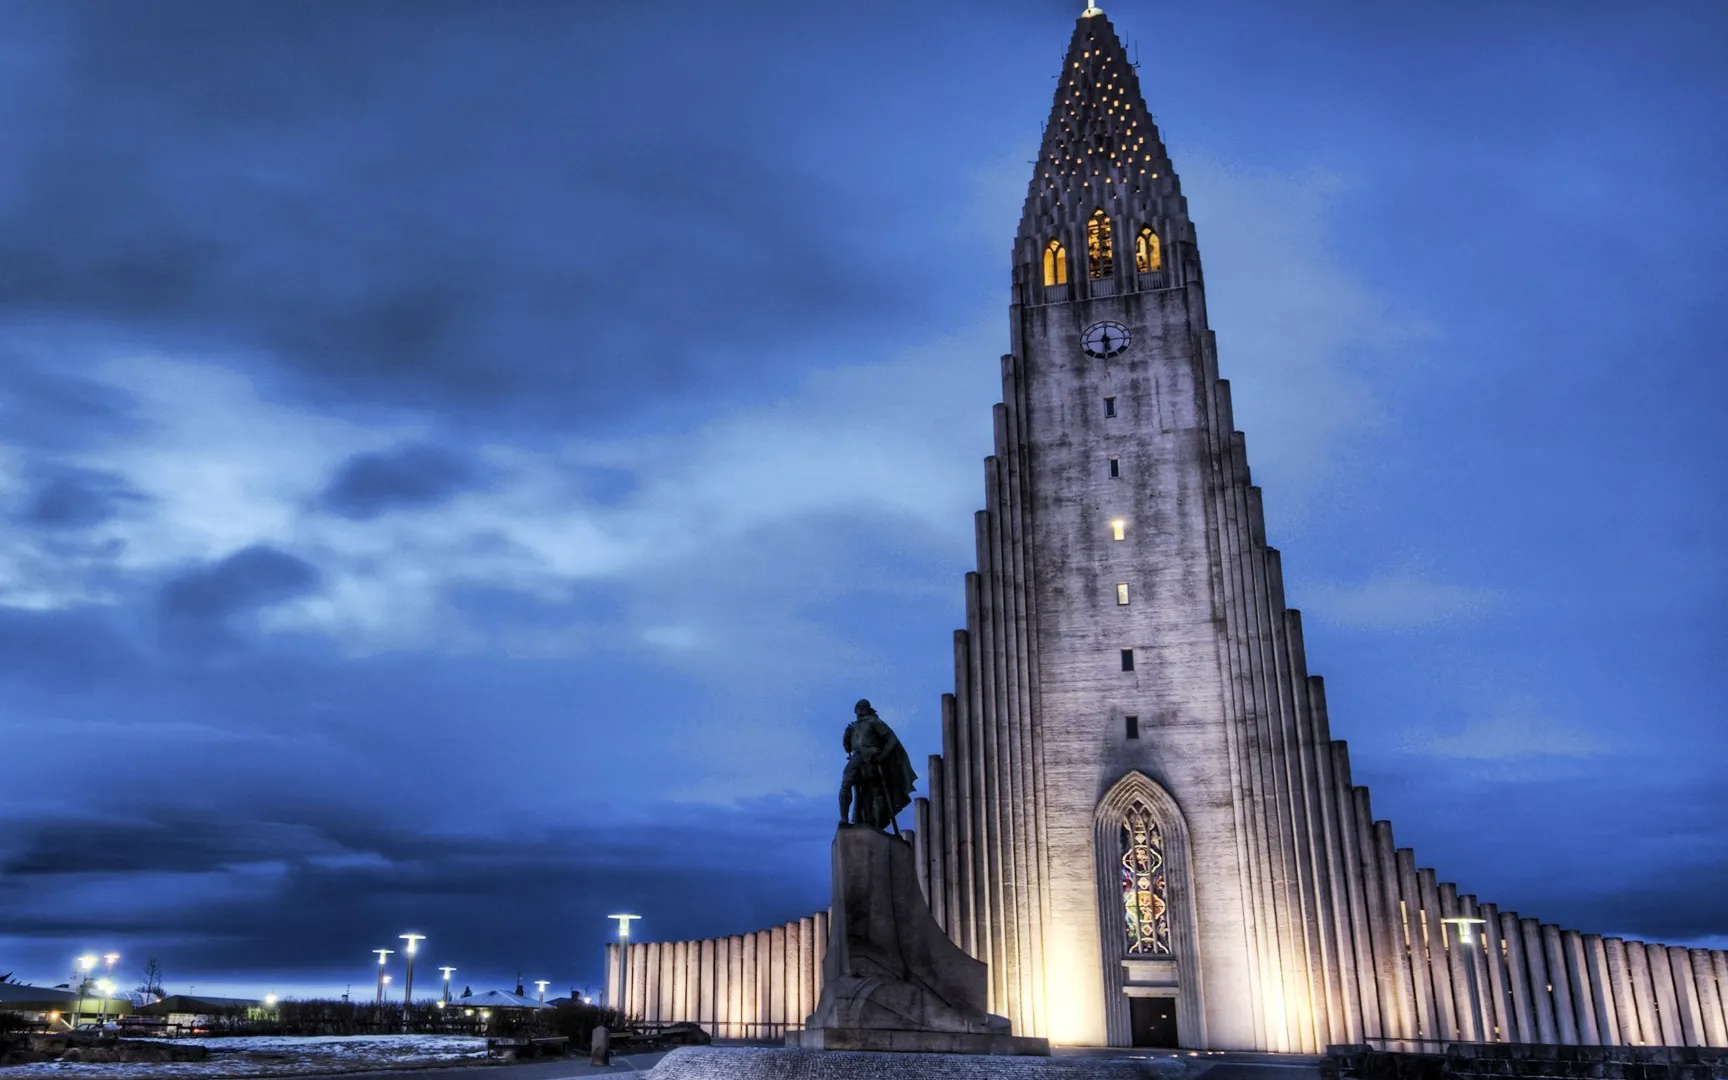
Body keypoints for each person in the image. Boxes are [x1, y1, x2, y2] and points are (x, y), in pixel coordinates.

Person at [838, 698, 918, 831]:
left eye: (865, 706)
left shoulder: (874, 722)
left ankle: (877, 824)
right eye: (859, 706)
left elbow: (891, 739)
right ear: (855, 709)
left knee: (875, 790)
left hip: (872, 757)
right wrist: (846, 736)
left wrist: (882, 756)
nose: (862, 708)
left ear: (869, 709)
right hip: (857, 758)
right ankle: (844, 818)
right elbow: (848, 748)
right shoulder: (853, 726)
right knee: (846, 784)